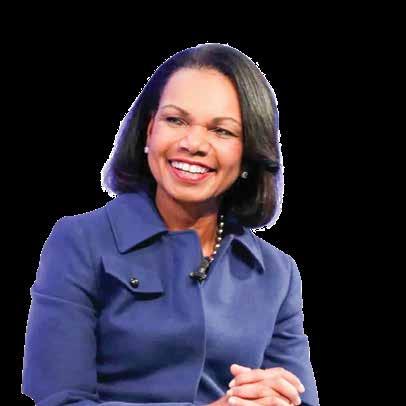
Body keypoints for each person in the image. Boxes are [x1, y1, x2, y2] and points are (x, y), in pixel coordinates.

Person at [21, 43, 319, 406]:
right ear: (149, 131)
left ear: (248, 154)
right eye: (175, 120)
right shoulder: (80, 242)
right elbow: (56, 400)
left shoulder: (277, 273)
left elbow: (300, 397)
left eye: (222, 131)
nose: (193, 143)